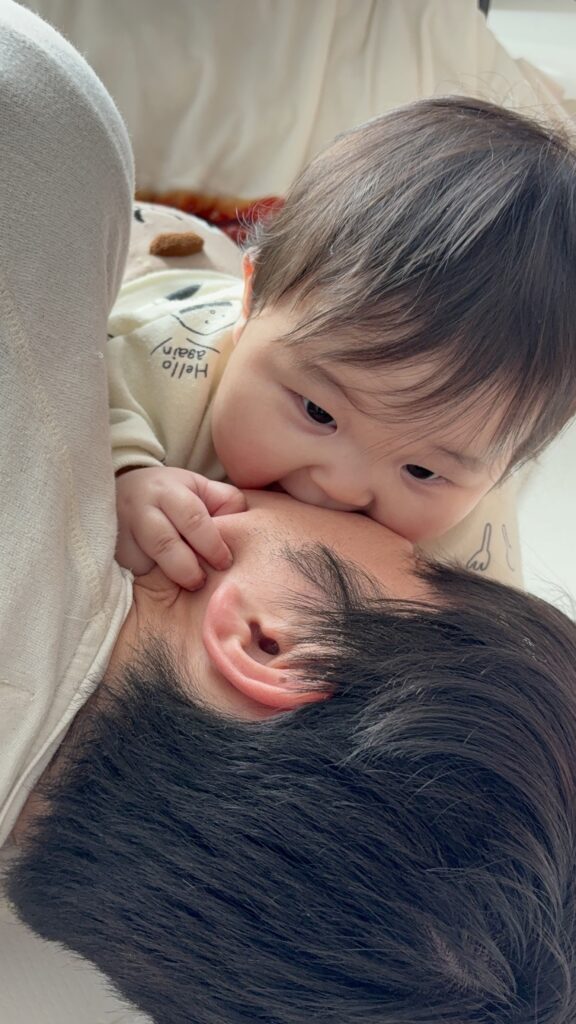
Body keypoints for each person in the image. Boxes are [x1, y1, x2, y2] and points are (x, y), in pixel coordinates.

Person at [3, 5, 576, 1024]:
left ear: (278, 637)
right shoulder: (161, 342)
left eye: (428, 480)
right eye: (317, 412)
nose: (345, 491)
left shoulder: (35, 148)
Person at [108, 93, 576, 592]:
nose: (343, 487)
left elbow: (488, 648)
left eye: (421, 471)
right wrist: (123, 474)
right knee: (149, 245)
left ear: (505, 467)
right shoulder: (167, 364)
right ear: (253, 299)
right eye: (318, 412)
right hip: (163, 279)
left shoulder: (473, 529)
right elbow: (63, 402)